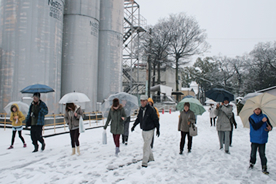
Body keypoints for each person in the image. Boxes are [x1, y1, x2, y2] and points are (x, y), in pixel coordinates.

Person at [131, 95, 160, 168]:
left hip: (150, 129)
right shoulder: (141, 109)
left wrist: (158, 129)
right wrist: (134, 126)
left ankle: (145, 161)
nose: (142, 102)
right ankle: (151, 158)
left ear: (147, 101)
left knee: (145, 146)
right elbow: (138, 118)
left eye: (144, 101)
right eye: (141, 101)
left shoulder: (151, 109)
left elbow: (155, 119)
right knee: (147, 145)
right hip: (143, 129)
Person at [248, 107, 272, 175]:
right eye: (256, 109)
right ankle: (252, 162)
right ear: (253, 110)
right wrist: (262, 121)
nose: (257, 111)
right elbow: (255, 127)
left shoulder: (265, 116)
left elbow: (269, 125)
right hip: (254, 137)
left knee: (262, 153)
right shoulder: (251, 117)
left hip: (263, 137)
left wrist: (270, 128)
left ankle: (264, 166)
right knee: (253, 152)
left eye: (258, 109)